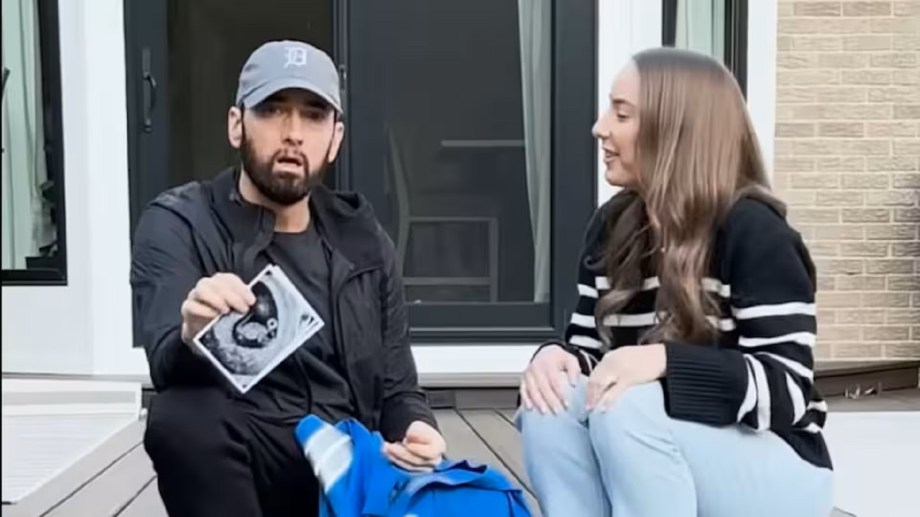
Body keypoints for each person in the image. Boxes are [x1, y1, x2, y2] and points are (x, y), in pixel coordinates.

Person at [131, 40, 446, 517]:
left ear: (335, 138)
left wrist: (417, 427)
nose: (293, 133)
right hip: (249, 460)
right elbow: (165, 364)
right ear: (237, 124)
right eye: (272, 110)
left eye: (313, 115)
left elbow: (397, 387)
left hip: (345, 465)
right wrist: (192, 336)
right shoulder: (181, 223)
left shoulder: (363, 240)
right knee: (179, 416)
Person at [516, 47, 834, 517]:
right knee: (551, 400)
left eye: (621, 114)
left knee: (628, 404)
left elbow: (786, 391)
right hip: (660, 446)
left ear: (675, 130)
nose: (600, 128)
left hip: (775, 470)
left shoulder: (754, 231)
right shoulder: (611, 227)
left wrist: (663, 361)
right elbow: (593, 358)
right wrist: (555, 359)